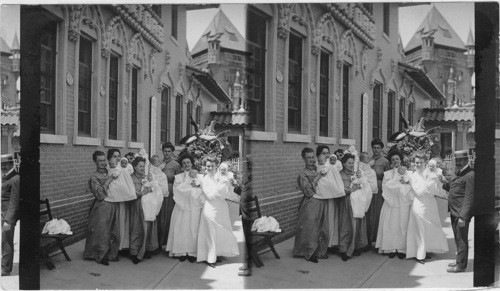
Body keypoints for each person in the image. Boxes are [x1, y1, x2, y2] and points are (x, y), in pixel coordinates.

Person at [197, 155, 239, 267]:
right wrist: (221, 187)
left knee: (221, 232)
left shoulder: (220, 176)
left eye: (212, 166)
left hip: (221, 208)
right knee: (210, 233)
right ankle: (209, 258)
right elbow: (210, 196)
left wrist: (229, 184)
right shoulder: (204, 179)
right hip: (210, 209)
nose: (210, 168)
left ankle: (217, 254)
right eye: (208, 166)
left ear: (216, 166)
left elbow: (228, 193)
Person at [406, 153, 449, 263]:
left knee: (430, 228)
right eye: (416, 162)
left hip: (430, 204)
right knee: (420, 229)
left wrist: (437, 180)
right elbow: (419, 192)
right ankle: (419, 254)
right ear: (413, 163)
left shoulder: (430, 172)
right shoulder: (412, 176)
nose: (419, 164)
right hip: (419, 205)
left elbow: (437, 189)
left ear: (425, 162)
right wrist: (430, 182)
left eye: (421, 162)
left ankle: (426, 250)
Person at [83, 151, 120, 266]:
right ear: (95, 162)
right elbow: (99, 195)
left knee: (113, 230)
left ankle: (110, 254)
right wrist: (109, 181)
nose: (103, 163)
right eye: (100, 160)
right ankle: (100, 255)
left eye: (104, 160)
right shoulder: (94, 177)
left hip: (113, 204)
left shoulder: (111, 170)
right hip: (102, 206)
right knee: (101, 231)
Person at [166, 155, 205, 263]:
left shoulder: (199, 177)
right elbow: (177, 191)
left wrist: (194, 190)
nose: (186, 164)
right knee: (181, 229)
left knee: (193, 229)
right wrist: (188, 188)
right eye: (184, 163)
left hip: (194, 206)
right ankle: (181, 251)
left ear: (191, 163)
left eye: (188, 162)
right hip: (182, 207)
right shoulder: (178, 177)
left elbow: (202, 191)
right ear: (182, 166)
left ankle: (193, 252)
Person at [293, 148, 328, 263]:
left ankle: (320, 251)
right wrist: (317, 178)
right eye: (308, 157)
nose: (311, 160)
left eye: (313, 157)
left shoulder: (320, 167)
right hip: (311, 202)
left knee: (321, 227)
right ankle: (308, 252)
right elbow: (308, 191)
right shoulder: (303, 174)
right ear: (304, 159)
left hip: (322, 201)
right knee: (310, 228)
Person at [375, 151, 413, 259]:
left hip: (403, 202)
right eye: (393, 159)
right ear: (391, 162)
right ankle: (390, 248)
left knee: (402, 225)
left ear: (401, 160)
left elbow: (410, 186)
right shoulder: (387, 174)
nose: (395, 161)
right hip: (391, 202)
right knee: (391, 225)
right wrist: (391, 199)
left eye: (397, 159)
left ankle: (401, 249)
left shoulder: (407, 173)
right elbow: (385, 187)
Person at [442, 150, 474, 273]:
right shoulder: (460, 172)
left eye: (461, 160)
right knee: (457, 238)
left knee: (461, 239)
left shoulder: (470, 174)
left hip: (461, 213)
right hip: (454, 211)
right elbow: (455, 187)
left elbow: (469, 197)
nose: (458, 162)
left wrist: (463, 216)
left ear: (467, 160)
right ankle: (459, 260)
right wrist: (445, 183)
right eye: (457, 160)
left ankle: (461, 266)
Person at [338, 153, 369, 261]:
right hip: (346, 202)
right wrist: (350, 190)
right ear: (343, 163)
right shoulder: (340, 175)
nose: (351, 165)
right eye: (349, 163)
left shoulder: (356, 174)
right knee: (346, 225)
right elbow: (337, 188)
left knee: (357, 225)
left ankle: (355, 246)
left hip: (357, 202)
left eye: (352, 163)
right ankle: (343, 249)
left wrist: (360, 185)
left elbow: (363, 185)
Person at [129, 157, 158, 264]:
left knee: (147, 228)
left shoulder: (147, 177)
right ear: (134, 167)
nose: (142, 168)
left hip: (148, 206)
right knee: (136, 228)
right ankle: (134, 252)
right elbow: (129, 192)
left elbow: (154, 188)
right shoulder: (131, 178)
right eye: (140, 166)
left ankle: (146, 249)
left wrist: (151, 188)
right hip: (136, 206)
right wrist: (142, 193)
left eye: (143, 166)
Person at [315, 146, 345, 251]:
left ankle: (332, 243)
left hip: (333, 195)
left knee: (333, 219)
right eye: (323, 153)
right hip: (323, 196)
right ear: (319, 154)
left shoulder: (331, 164)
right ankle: (324, 244)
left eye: (328, 153)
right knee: (325, 220)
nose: (326, 155)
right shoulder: (319, 165)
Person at [367, 139, 391, 248]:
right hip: (368, 189)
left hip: (380, 188)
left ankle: (378, 239)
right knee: (368, 213)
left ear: (381, 149)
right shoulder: (368, 160)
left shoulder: (385, 162)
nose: (376, 150)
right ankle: (368, 239)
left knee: (378, 213)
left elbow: (388, 177)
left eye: (378, 148)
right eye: (374, 147)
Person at [158, 142, 182, 251]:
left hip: (170, 192)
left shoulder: (175, 165)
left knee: (167, 217)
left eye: (169, 151)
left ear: (172, 152)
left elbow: (179, 181)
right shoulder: (158, 163)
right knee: (158, 216)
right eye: (165, 151)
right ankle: (157, 242)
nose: (166, 153)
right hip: (158, 192)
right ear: (162, 151)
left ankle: (167, 243)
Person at [1, 154, 20, 276]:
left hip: (8, 215)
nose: (2, 167)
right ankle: (5, 266)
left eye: (5, 164)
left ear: (11, 164)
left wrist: (8, 220)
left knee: (6, 241)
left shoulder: (15, 179)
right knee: (4, 241)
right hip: (4, 213)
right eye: (1, 164)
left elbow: (14, 201)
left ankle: (5, 269)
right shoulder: (7, 176)